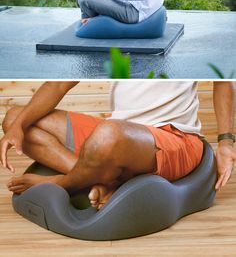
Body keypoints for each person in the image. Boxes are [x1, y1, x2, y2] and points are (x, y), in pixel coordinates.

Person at [0, 81, 235, 210]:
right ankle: (100, 180)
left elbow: (223, 81)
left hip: (174, 137)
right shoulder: (111, 32)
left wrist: (225, 142)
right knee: (15, 118)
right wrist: (16, 128)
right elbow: (58, 85)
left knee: (108, 133)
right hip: (119, 132)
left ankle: (61, 183)